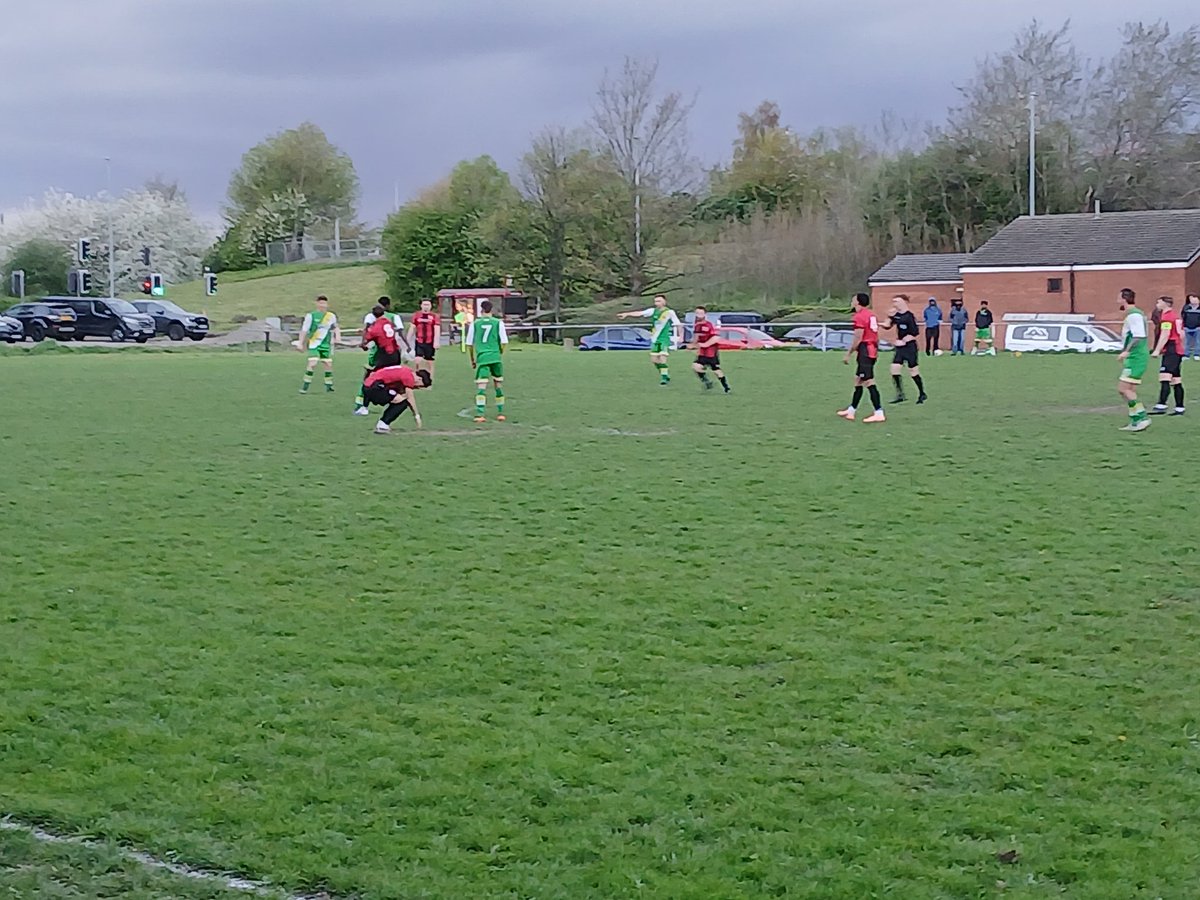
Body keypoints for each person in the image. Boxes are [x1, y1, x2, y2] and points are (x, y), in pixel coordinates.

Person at [837, 293, 885, 423]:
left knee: (869, 381)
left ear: (857, 302)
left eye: (853, 299)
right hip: (872, 349)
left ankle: (879, 412)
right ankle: (851, 410)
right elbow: (876, 334)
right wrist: (877, 348)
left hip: (865, 350)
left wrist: (848, 353)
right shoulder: (871, 315)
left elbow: (858, 337)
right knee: (858, 380)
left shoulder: (859, 317)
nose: (852, 301)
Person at [354, 297, 407, 413]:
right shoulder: (390, 323)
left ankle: (364, 407)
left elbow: (365, 343)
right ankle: (400, 399)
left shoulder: (375, 328)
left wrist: (362, 345)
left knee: (369, 379)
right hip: (395, 355)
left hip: (385, 356)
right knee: (395, 379)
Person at [617, 294, 682, 385]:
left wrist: (681, 336)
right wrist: (627, 314)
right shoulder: (653, 311)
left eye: (659, 301)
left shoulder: (669, 312)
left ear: (664, 302)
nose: (657, 303)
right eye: (655, 301)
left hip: (664, 338)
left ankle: (664, 377)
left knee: (662, 357)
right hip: (655, 339)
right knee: (654, 360)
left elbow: (678, 324)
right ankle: (665, 373)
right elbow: (640, 313)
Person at [881, 295, 928, 404]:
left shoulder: (909, 316)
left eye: (896, 301)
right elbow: (887, 326)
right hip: (900, 348)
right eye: (893, 301)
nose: (894, 303)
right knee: (894, 369)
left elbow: (915, 332)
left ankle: (922, 393)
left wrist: (904, 341)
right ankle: (900, 395)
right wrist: (888, 317)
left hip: (910, 347)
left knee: (913, 372)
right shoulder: (896, 315)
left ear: (903, 302)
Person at [467, 300, 508, 422]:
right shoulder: (498, 323)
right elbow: (504, 342)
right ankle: (500, 413)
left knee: (481, 385)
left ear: (481, 310)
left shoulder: (475, 324)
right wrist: (499, 352)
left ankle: (480, 414)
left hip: (482, 357)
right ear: (492, 310)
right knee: (498, 384)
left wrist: (472, 359)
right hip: (495, 357)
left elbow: (470, 344)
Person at [1116, 288, 1151, 432]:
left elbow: (1138, 336)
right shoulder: (1134, 314)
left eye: (1118, 297)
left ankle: (1142, 417)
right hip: (1135, 357)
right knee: (1129, 390)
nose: (1116, 299)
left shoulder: (1134, 315)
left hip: (1136, 357)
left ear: (1124, 298)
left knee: (1123, 389)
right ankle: (1135, 420)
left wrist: (1126, 351)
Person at [362, 364, 431, 434]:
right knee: (403, 402)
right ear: (419, 378)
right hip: (374, 387)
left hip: (369, 386)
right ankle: (383, 424)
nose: (416, 387)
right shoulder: (409, 377)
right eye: (419, 385)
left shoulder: (406, 371)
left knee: (400, 399)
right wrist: (417, 415)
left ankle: (382, 423)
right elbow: (410, 398)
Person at [1150, 296, 1185, 416]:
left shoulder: (1167, 317)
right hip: (1177, 349)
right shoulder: (1175, 316)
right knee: (1176, 380)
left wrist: (1157, 350)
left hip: (1171, 349)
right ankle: (1179, 408)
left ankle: (1161, 405)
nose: (1157, 304)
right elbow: (1181, 333)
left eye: (1158, 302)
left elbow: (1165, 334)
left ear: (1165, 304)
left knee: (1164, 377)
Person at [297, 295, 341, 393]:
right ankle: (305, 386)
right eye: (320, 303)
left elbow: (335, 327)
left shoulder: (331, 316)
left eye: (324, 303)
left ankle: (329, 386)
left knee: (328, 364)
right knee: (312, 363)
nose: (322, 305)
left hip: (325, 344)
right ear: (317, 304)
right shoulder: (311, 316)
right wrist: (300, 343)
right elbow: (304, 330)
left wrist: (338, 337)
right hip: (314, 344)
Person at [689, 306, 730, 392]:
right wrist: (692, 345)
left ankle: (726, 387)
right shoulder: (697, 325)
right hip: (702, 352)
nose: (699, 315)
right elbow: (696, 337)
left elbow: (716, 338)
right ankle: (707, 382)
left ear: (705, 314)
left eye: (701, 313)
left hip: (711, 352)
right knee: (696, 366)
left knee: (715, 370)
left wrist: (704, 345)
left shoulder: (708, 325)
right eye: (697, 313)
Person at [407, 297, 442, 381]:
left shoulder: (434, 316)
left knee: (429, 361)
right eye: (424, 304)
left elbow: (437, 329)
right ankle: (417, 377)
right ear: (421, 305)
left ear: (431, 306)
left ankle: (430, 378)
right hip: (419, 341)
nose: (426, 306)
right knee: (417, 360)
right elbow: (412, 327)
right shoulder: (416, 315)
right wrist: (407, 340)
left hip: (430, 342)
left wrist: (436, 342)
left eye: (428, 305)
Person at [1182, 294, 1200, 361]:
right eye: (1192, 299)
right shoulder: (1186, 308)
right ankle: (1186, 355)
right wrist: (1184, 326)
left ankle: (1197, 354)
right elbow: (1183, 316)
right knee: (1187, 342)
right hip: (1187, 328)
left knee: (1198, 342)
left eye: (1196, 299)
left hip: (1198, 328)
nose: (1194, 301)